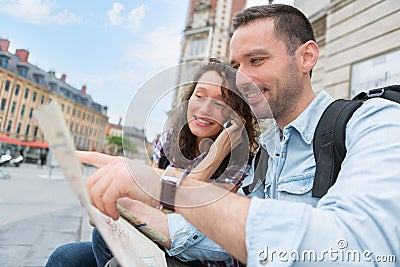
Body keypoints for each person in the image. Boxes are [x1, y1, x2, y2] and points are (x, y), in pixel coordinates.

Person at [80, 4, 400, 266]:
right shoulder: (269, 149)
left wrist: (169, 187)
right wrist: (124, 204)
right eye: (236, 66)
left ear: (306, 57)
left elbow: (361, 250)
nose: (242, 78)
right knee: (73, 257)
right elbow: (221, 238)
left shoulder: (373, 122)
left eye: (256, 60)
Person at [45, 59, 259, 267]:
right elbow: (154, 204)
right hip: (154, 243)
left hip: (201, 258)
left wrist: (212, 160)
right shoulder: (167, 143)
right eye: (199, 96)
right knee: (66, 257)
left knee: (110, 252)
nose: (204, 108)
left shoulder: (240, 164)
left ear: (236, 115)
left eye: (220, 102)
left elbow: (183, 223)